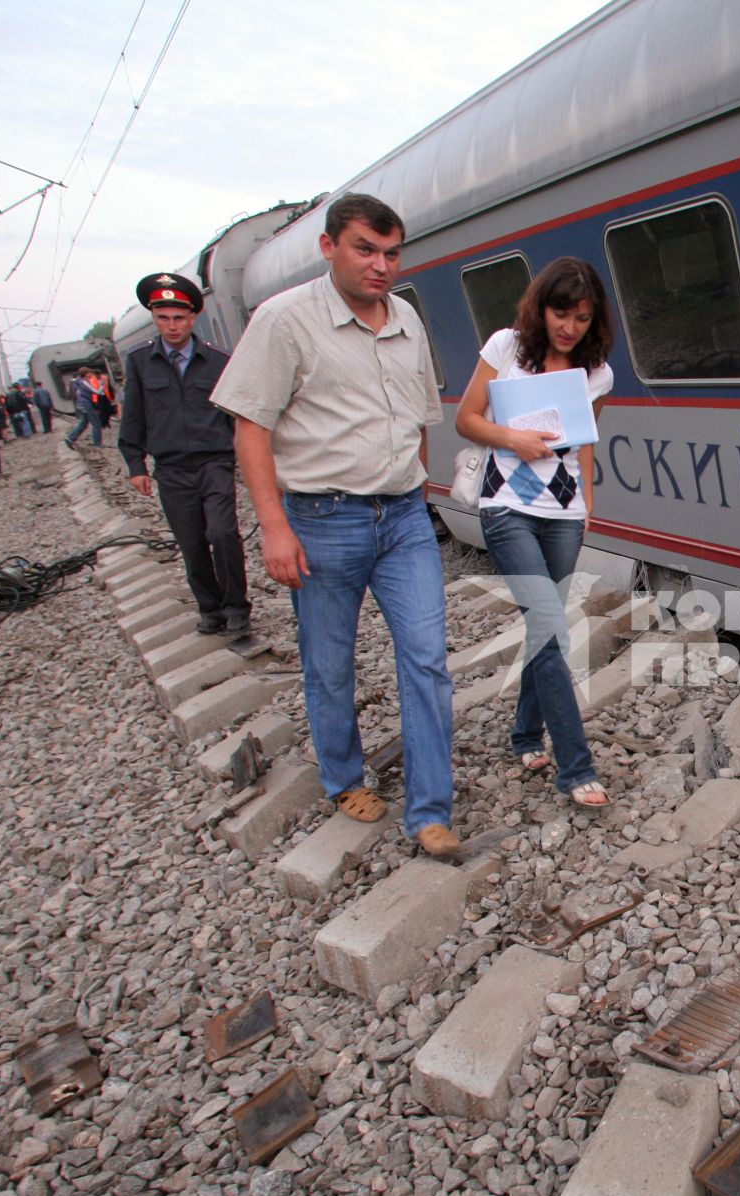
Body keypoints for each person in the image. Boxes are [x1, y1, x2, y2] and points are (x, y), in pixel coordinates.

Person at [211, 192, 462, 860]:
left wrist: (420, 485)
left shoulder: (405, 317)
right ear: (330, 247)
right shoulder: (284, 321)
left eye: (391, 252)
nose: (380, 265)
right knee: (330, 663)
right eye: (365, 249)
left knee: (427, 659)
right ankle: (343, 776)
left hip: (404, 517)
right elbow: (251, 425)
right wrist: (273, 526)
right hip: (323, 520)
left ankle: (430, 809)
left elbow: (418, 417)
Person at [454, 257, 612, 808]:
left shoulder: (598, 374)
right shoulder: (505, 349)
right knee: (550, 628)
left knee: (544, 631)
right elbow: (466, 418)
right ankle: (575, 767)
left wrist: (588, 501)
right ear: (540, 307)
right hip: (507, 509)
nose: (570, 327)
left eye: (582, 319)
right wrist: (512, 439)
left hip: (564, 514)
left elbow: (587, 439)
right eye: (561, 313)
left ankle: (524, 735)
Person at [118, 271, 251, 636]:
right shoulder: (141, 362)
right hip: (172, 469)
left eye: (179, 318)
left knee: (223, 533)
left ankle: (237, 607)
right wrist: (135, 464)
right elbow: (134, 415)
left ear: (193, 318)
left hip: (215, 462)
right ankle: (211, 610)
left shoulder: (218, 361)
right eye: (163, 318)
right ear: (154, 318)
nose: (172, 326)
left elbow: (238, 414)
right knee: (191, 543)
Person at [65, 368, 101, 446]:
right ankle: (97, 444)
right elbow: (96, 392)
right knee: (96, 423)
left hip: (80, 404)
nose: (91, 374)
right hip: (86, 404)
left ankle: (70, 438)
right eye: (90, 372)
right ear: (86, 373)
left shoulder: (78, 381)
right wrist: (102, 385)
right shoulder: (84, 382)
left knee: (84, 422)